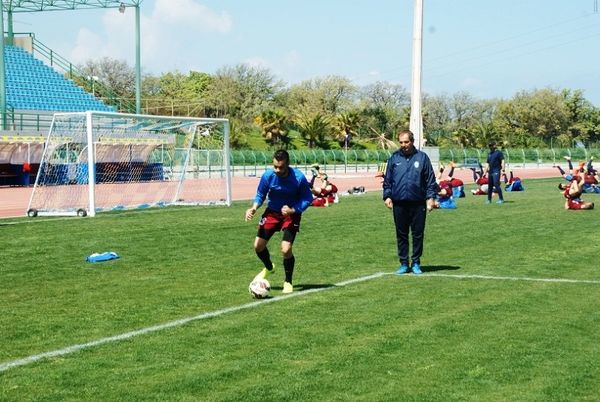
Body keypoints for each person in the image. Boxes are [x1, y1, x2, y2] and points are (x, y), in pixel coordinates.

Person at [245, 150, 314, 294]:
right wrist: (254, 208)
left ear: (287, 164)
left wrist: (293, 210)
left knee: (286, 249)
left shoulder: (298, 178)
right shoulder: (268, 176)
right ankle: (269, 268)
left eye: (280, 167)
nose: (277, 170)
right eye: (275, 166)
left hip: (291, 215)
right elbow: (260, 194)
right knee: (258, 246)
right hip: (272, 213)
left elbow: (307, 198)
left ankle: (288, 281)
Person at [383, 129, 437, 275]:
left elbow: (430, 180)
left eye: (406, 142)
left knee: (417, 234)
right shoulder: (394, 158)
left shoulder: (422, 158)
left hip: (418, 203)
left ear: (412, 142)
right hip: (399, 203)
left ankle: (416, 263)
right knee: (401, 234)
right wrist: (387, 196)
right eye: (401, 142)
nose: (403, 145)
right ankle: (404, 263)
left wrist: (431, 197)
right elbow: (387, 181)